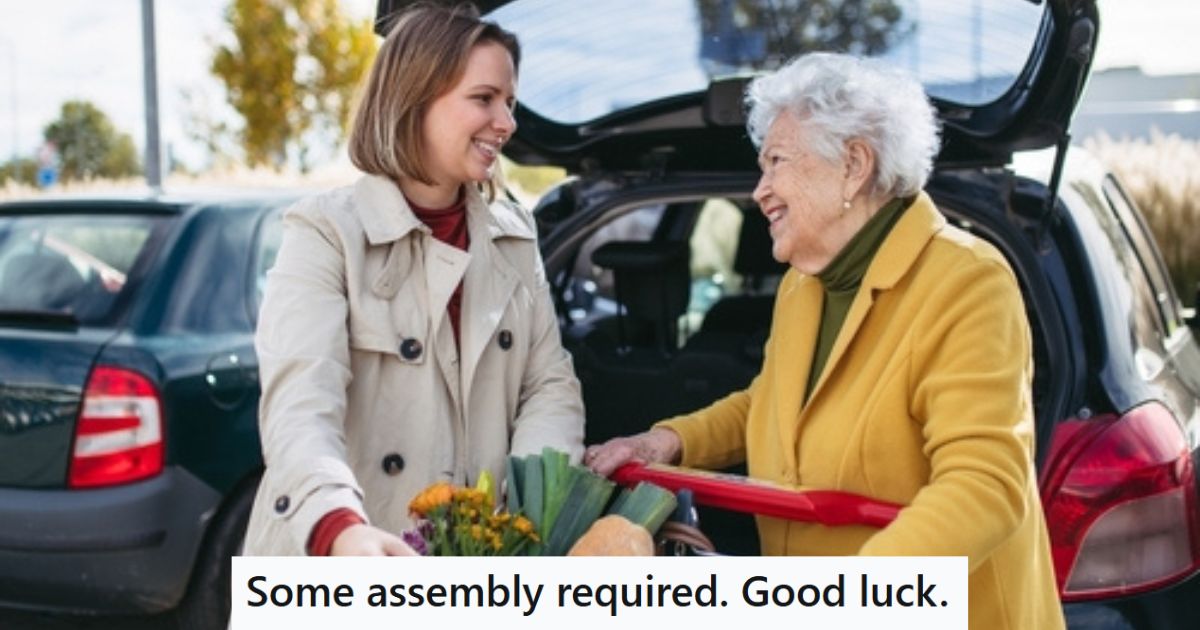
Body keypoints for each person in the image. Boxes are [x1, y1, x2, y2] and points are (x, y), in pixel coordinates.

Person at [585, 52, 1064, 629]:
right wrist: (666, 442)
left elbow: (985, 487)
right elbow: (774, 403)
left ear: (854, 165)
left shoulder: (966, 280)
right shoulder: (805, 284)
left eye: (776, 163)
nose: (759, 191)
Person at [241, 2, 584, 558]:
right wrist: (338, 527)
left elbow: (547, 385)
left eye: (511, 102)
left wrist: (529, 517)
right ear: (415, 98)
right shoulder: (324, 232)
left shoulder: (515, 234)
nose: (508, 122)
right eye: (484, 99)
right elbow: (300, 405)